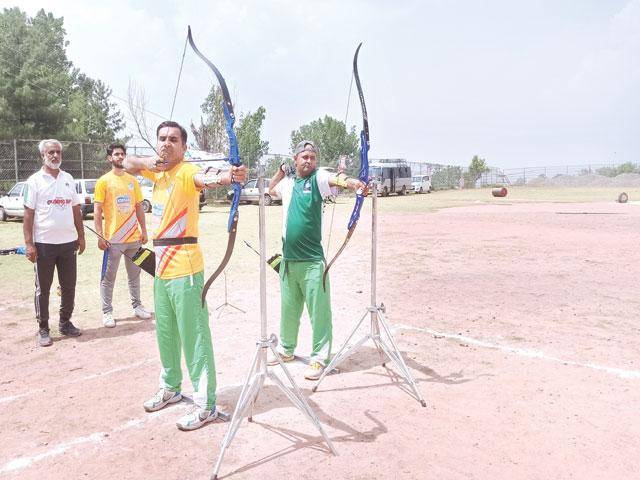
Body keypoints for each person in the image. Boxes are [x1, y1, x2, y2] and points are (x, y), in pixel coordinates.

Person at [124, 121, 246, 431]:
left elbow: (209, 178)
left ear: (184, 147)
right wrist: (148, 162)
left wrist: (229, 176)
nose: (166, 143)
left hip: (186, 268)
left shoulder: (187, 171)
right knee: (165, 333)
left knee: (194, 336)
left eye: (173, 140)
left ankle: (206, 404)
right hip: (161, 268)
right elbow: (126, 162)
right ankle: (171, 387)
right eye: (162, 139)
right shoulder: (158, 172)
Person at [267, 140, 368, 380]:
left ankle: (320, 358)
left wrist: (354, 183)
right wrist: (281, 170)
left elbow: (337, 180)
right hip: (289, 261)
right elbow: (271, 189)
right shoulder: (289, 183)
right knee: (288, 310)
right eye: (304, 157)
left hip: (313, 261)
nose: (309, 161)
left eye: (312, 157)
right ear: (296, 160)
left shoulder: (318, 179)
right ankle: (286, 349)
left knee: (319, 312)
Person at [23, 139, 85, 347]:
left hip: (68, 243)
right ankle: (43, 328)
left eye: (58, 152)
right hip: (44, 245)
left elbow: (76, 210)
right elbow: (28, 215)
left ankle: (65, 323)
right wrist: (29, 244)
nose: (55, 155)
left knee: (69, 286)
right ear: (43, 155)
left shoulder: (68, 179)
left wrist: (81, 236)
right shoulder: (34, 181)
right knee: (44, 289)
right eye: (51, 152)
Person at [94, 143, 152, 328]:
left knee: (135, 275)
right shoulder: (104, 181)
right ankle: (107, 312)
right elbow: (97, 210)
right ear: (109, 158)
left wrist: (143, 230)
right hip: (113, 240)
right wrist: (100, 236)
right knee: (108, 277)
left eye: (122, 154)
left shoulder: (132, 180)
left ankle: (137, 306)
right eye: (116, 154)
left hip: (134, 238)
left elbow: (138, 207)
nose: (120, 157)